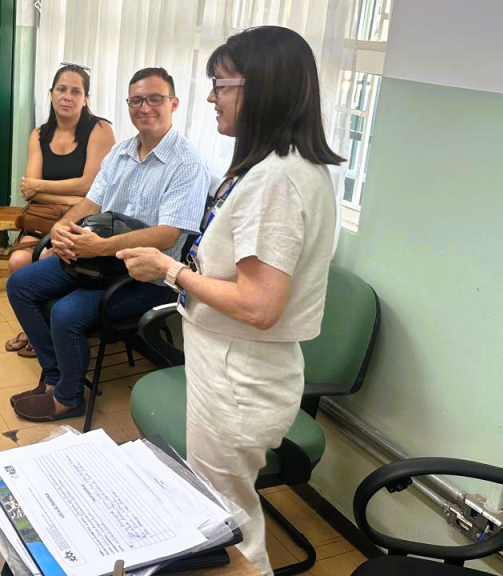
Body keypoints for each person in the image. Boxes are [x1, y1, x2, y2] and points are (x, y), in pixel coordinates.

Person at [118, 27, 343, 575]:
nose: (213, 96)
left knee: (231, 531)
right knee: (224, 512)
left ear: (262, 87)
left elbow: (259, 304)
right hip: (231, 367)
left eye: (221, 84)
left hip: (240, 380)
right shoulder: (271, 168)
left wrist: (170, 269)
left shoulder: (279, 180)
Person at [6, 67, 210, 422]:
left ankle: (68, 399)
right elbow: (91, 204)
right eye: (136, 100)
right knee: (21, 284)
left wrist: (98, 247)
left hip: (145, 277)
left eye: (155, 99)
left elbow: (168, 234)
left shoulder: (187, 164)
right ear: (128, 105)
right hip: (97, 261)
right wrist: (61, 233)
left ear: (173, 103)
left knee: (66, 313)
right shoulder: (121, 152)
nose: (144, 107)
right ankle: (56, 377)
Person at [4, 62, 115, 359]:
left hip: (84, 219)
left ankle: (48, 332)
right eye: (61, 90)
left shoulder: (100, 129)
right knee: (17, 262)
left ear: (86, 98)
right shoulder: (39, 134)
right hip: (42, 217)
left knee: (46, 259)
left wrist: (47, 188)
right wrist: (69, 194)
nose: (67, 97)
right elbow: (28, 189)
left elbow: (93, 186)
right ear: (51, 94)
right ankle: (37, 329)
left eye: (75, 91)